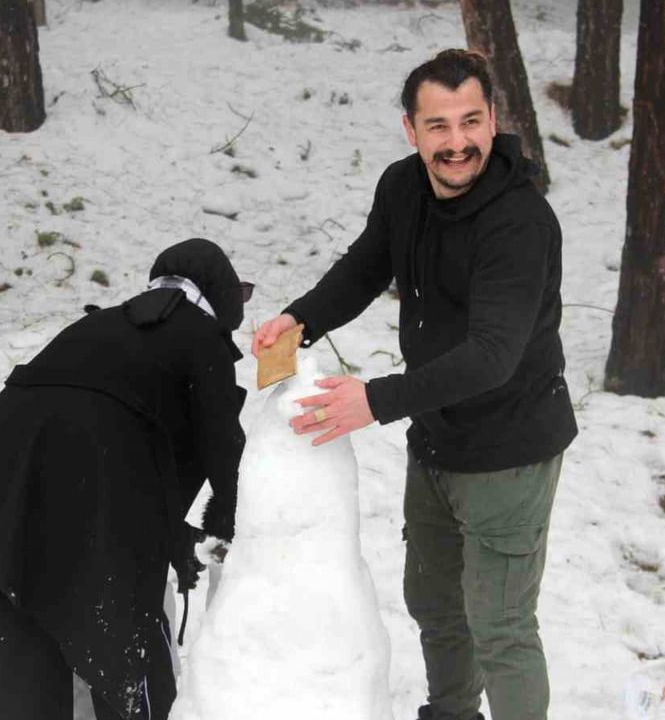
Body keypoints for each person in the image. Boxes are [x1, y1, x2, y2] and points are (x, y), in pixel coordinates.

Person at [252, 50, 577, 720]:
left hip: (509, 450)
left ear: (493, 119)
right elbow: (367, 265)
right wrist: (301, 319)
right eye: (438, 125)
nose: (457, 142)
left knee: (501, 627)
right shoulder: (403, 187)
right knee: (435, 604)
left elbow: (492, 355)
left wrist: (375, 401)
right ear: (411, 129)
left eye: (471, 121)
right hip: (436, 438)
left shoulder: (518, 223)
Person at [0, 238, 250, 720]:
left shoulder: (95, 325)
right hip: (94, 494)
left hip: (6, 488)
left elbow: (58, 420)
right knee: (123, 647)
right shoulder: (203, 338)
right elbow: (223, 446)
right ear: (220, 302)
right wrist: (236, 521)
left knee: (24, 600)